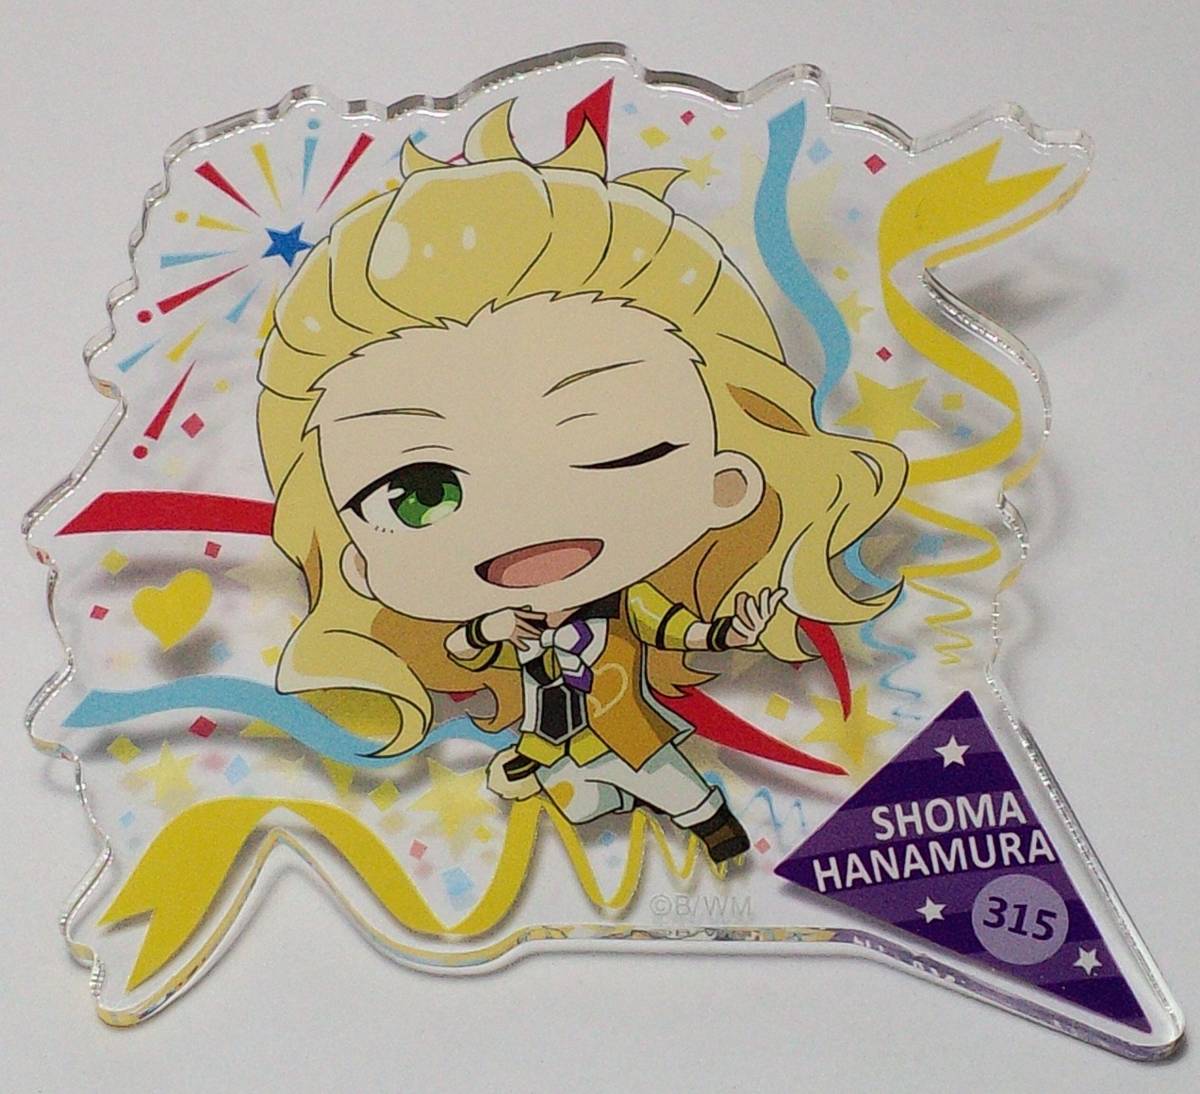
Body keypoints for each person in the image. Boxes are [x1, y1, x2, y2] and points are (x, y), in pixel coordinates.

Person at [255, 100, 907, 863]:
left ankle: (717, 835)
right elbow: (471, 645)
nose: (518, 516)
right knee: (567, 787)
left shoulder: (633, 603)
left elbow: (681, 632)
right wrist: (497, 640)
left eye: (608, 442)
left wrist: (741, 628)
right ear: (358, 560)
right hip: (556, 745)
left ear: (727, 481)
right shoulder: (501, 623)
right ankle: (601, 799)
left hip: (631, 733)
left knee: (673, 788)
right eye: (420, 492)